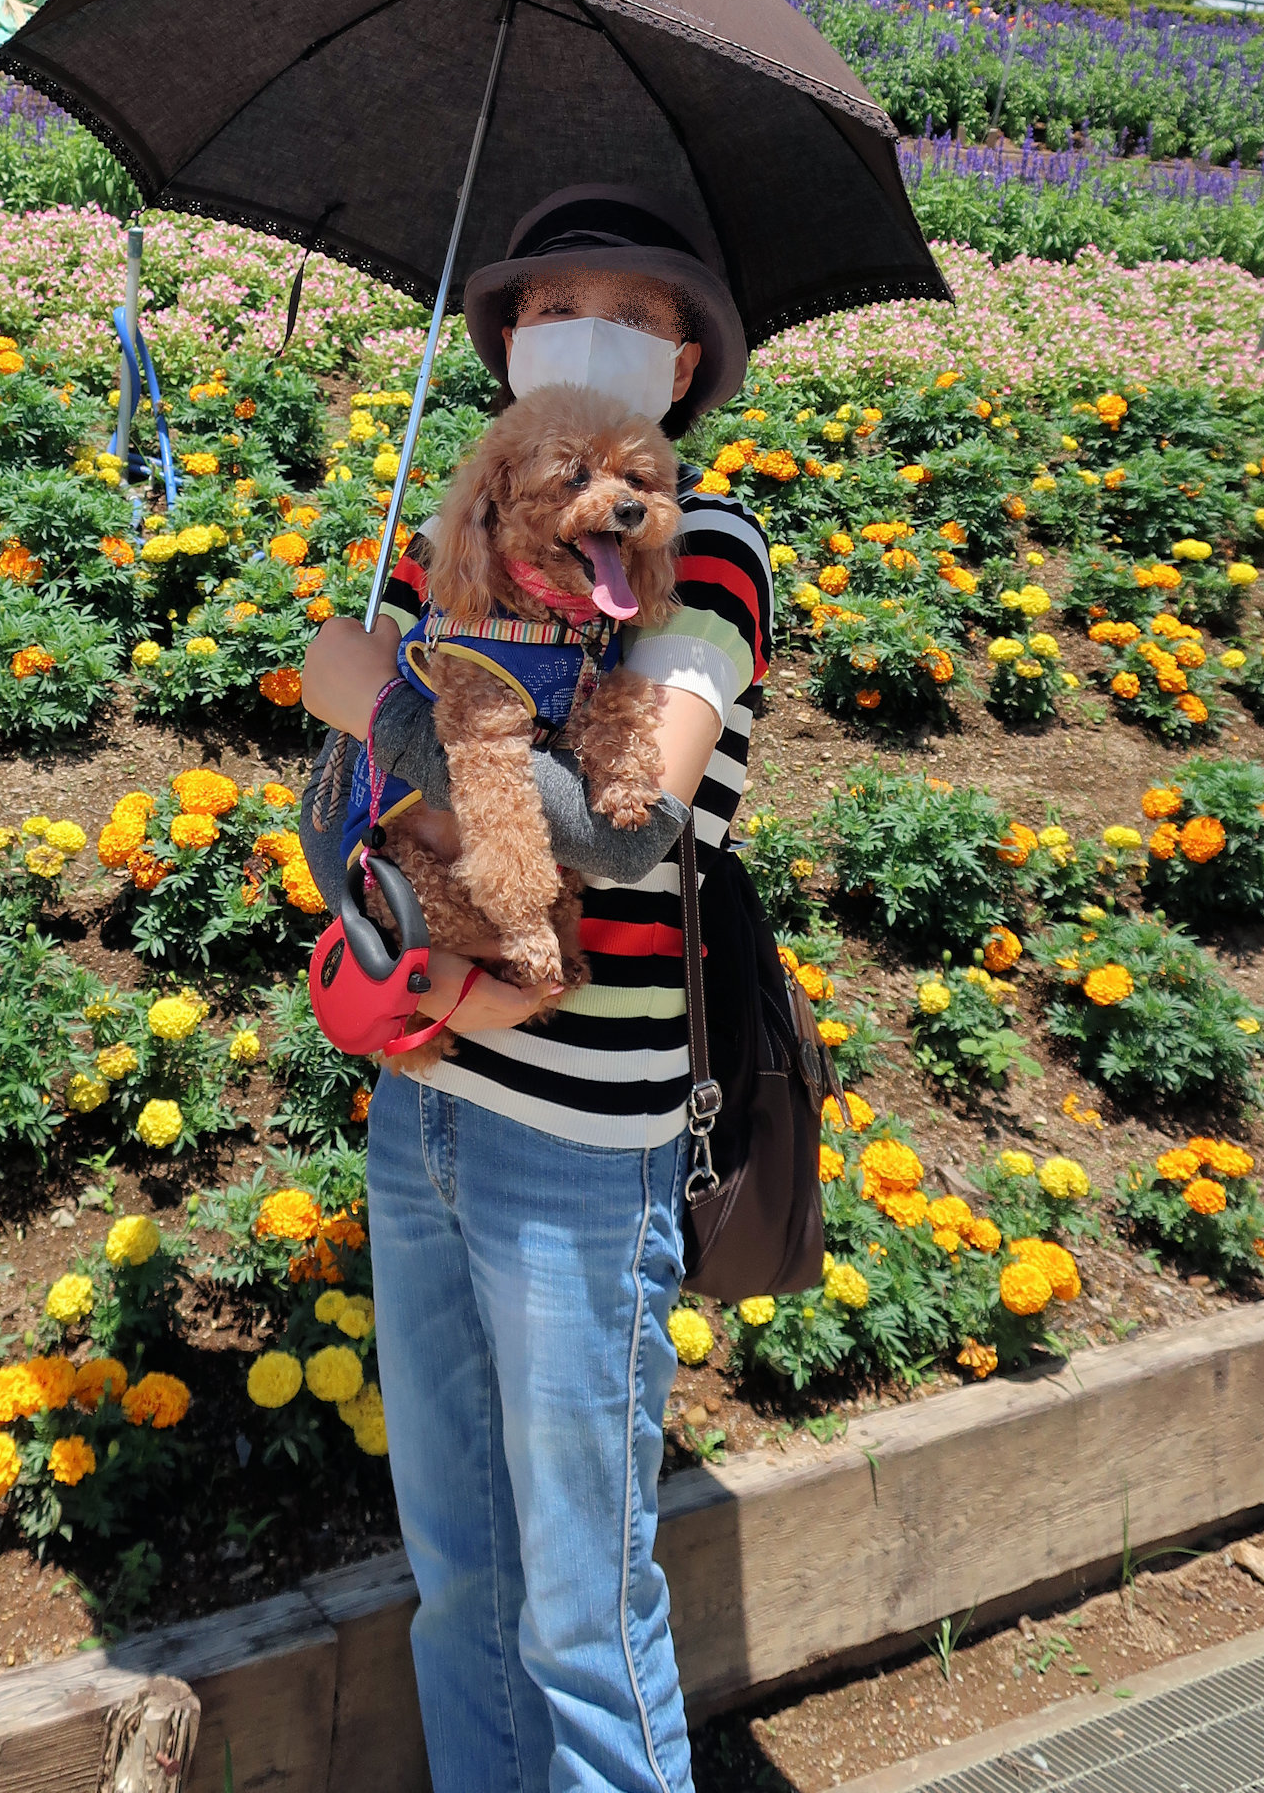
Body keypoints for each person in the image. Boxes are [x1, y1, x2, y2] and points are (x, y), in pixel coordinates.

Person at [299, 186, 772, 1793]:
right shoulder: (460, 553)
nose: (593, 332)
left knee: (579, 1617)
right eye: (556, 303)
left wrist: (386, 708)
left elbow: (615, 839)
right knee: (460, 1585)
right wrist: (360, 722)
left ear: (691, 360)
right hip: (427, 1097)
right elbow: (340, 840)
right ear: (500, 345)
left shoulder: (706, 547)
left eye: (637, 315)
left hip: (583, 1142)